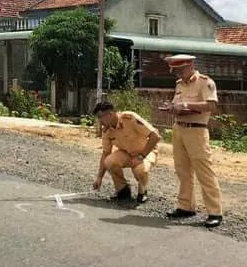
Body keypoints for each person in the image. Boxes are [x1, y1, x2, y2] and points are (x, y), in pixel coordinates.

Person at [158, 54, 223, 228]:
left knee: (204, 171)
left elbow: (211, 105)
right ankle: (186, 206)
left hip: (196, 130)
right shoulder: (179, 85)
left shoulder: (205, 82)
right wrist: (171, 108)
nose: (178, 73)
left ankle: (215, 211)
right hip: (179, 128)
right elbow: (177, 103)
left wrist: (186, 106)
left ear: (191, 65)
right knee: (182, 170)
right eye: (176, 70)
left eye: (181, 69)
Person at [92, 101, 161, 203]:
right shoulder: (107, 131)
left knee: (140, 170)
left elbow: (155, 136)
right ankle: (123, 190)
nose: (100, 121)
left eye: (100, 117)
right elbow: (105, 153)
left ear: (110, 115)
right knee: (109, 161)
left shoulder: (129, 118)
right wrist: (99, 178)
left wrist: (141, 157)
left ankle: (142, 191)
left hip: (146, 152)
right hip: (127, 153)